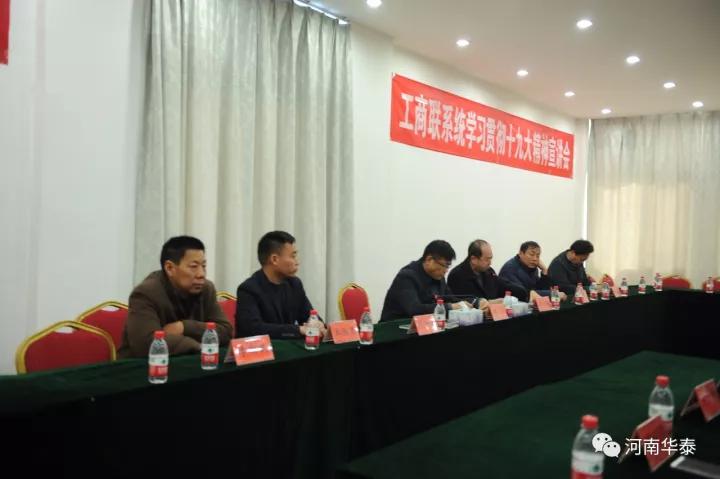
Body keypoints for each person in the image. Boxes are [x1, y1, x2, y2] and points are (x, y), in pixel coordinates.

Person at [119, 236, 232, 358]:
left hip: (192, 361)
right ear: (170, 268)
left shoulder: (206, 288)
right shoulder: (145, 293)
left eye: (203, 266)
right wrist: (197, 346)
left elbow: (225, 331)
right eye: (193, 266)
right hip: (144, 365)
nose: (201, 274)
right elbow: (146, 343)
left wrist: (184, 327)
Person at [235, 231, 325, 339]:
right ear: (274, 259)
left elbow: (309, 316)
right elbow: (252, 329)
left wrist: (318, 324)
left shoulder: (294, 284)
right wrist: (298, 330)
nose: (297, 262)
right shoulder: (249, 289)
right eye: (293, 256)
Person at [380, 240, 474, 322]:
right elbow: (414, 309)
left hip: (427, 328)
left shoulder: (439, 277)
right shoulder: (406, 277)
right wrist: (450, 307)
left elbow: (452, 299)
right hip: (396, 329)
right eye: (443, 266)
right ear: (429, 259)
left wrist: (475, 302)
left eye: (448, 266)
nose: (445, 271)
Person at [448, 239, 530, 305]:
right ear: (474, 259)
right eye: (487, 259)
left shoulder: (489, 272)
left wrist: (527, 293)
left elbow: (505, 286)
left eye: (491, 258)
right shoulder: (457, 275)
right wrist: (489, 303)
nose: (490, 263)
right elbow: (463, 302)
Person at [498, 241, 567, 301]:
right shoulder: (510, 268)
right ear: (521, 253)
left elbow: (539, 289)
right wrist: (553, 294)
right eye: (531, 254)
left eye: (538, 256)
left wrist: (544, 271)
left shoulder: (532, 267)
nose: (535, 259)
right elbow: (523, 293)